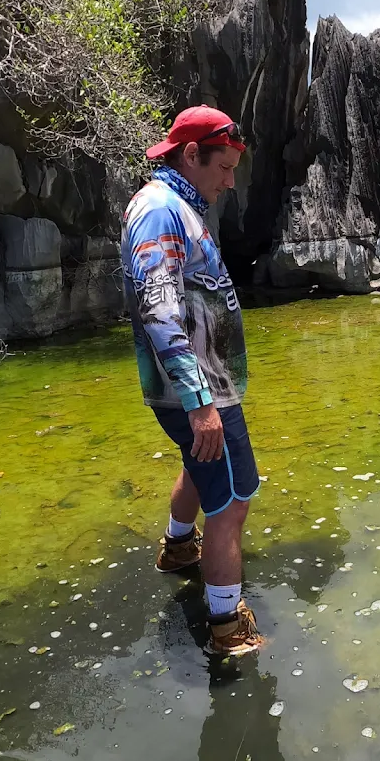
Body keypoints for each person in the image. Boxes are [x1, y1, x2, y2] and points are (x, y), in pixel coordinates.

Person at [121, 105, 264, 656]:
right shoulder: (161, 211)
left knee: (198, 464)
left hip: (203, 388)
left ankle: (179, 549)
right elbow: (159, 310)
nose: (230, 181)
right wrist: (200, 403)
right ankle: (228, 627)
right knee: (231, 505)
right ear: (190, 154)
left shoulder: (179, 204)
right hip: (199, 393)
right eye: (223, 167)